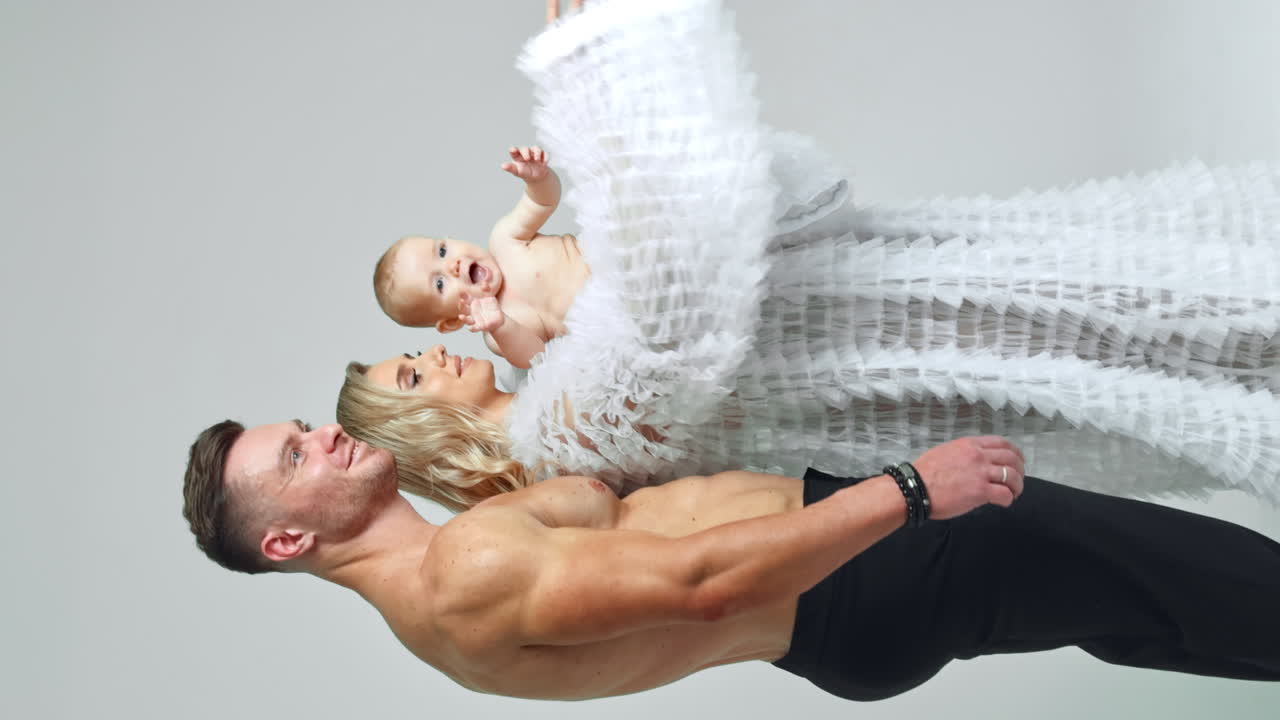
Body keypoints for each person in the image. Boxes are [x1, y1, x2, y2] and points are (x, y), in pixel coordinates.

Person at [339, 0, 1280, 506]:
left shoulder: (537, 372)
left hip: (860, 309)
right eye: (412, 375)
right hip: (870, 363)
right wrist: (597, 73)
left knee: (1099, 303)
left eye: (411, 354)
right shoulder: (554, 434)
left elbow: (661, 269)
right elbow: (664, 317)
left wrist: (586, 111)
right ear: (420, 428)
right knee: (1091, 346)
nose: (431, 358)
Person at [181, 420, 1280, 701]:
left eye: (301, 427)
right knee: (1176, 574)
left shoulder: (446, 587)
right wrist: (907, 492)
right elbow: (699, 588)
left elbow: (610, 493)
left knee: (1144, 609)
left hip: (843, 612)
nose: (321, 435)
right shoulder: (462, 573)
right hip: (866, 563)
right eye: (295, 455)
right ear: (287, 541)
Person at [372, 145, 589, 370]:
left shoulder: (504, 239)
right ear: (453, 322)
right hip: (607, 320)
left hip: (608, 256)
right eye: (439, 283)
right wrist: (502, 326)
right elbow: (538, 359)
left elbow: (541, 203)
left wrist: (539, 181)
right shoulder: (498, 332)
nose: (452, 266)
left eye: (442, 251)